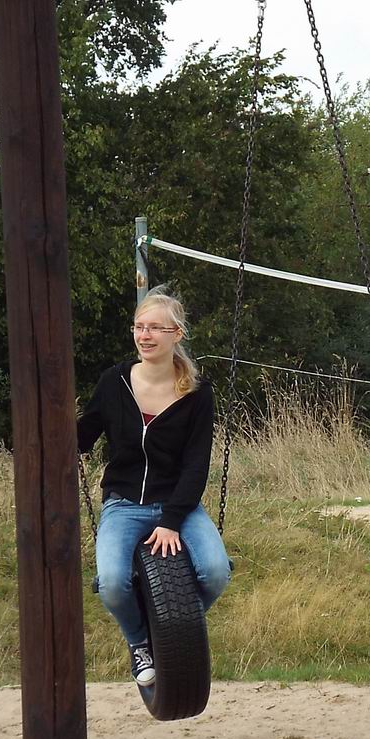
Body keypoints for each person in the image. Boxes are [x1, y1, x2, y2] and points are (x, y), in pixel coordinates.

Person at [78, 288, 231, 687]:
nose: (144, 336)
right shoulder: (114, 382)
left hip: (179, 505)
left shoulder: (197, 393)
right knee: (113, 584)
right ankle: (140, 641)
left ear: (176, 334)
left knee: (215, 572)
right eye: (138, 327)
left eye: (155, 328)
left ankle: (168, 633)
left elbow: (196, 465)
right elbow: (82, 438)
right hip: (124, 504)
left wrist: (172, 520)